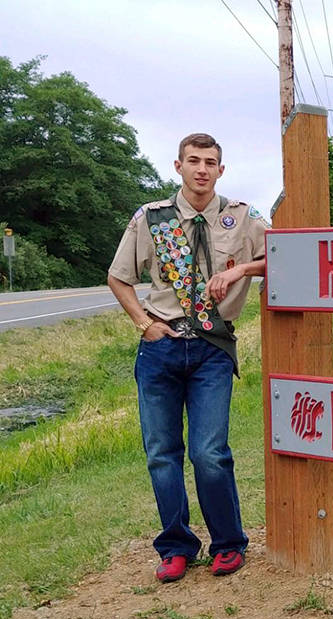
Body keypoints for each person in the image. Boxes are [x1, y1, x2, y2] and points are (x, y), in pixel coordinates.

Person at [107, 133, 267, 583]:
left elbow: (279, 254)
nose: (202, 169)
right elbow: (119, 277)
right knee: (162, 454)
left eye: (210, 162)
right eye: (193, 161)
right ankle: (176, 546)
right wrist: (145, 324)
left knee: (209, 452)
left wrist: (239, 269)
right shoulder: (151, 219)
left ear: (221, 169)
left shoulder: (243, 217)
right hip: (160, 347)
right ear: (178, 166)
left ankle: (229, 543)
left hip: (212, 348)